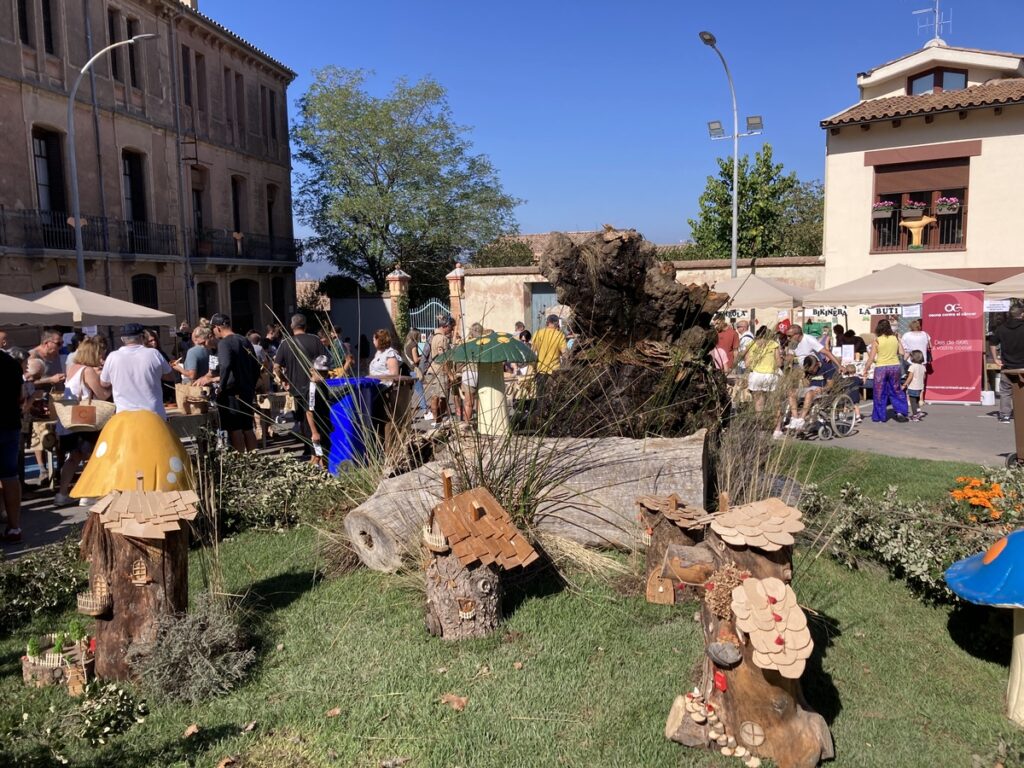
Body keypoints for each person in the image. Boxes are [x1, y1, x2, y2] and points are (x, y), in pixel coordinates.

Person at [54, 337, 112, 505]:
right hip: (87, 419)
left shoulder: (73, 368)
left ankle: (62, 494)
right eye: (100, 353)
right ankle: (88, 493)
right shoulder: (88, 371)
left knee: (73, 457)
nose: (102, 357)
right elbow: (103, 395)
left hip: (71, 419)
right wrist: (111, 384)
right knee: (92, 456)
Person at [197, 313, 260, 452]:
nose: (213, 332)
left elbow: (225, 365)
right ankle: (254, 459)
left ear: (217, 328)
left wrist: (222, 386)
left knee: (235, 428)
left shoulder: (224, 343)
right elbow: (256, 366)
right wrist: (252, 384)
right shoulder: (244, 340)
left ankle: (241, 460)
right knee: (248, 427)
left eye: (213, 329)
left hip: (231, 391)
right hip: (246, 390)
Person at [100, 323, 174, 417]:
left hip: (125, 414)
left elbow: (104, 383)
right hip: (153, 414)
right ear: (141, 337)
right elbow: (170, 376)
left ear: (122, 339)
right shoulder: (154, 354)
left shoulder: (112, 357)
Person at [274, 314, 327, 446]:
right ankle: (317, 451)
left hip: (296, 388)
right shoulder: (315, 340)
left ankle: (310, 449)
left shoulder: (285, 343)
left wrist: (284, 380)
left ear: (291, 326)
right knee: (317, 420)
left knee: (302, 420)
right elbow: (325, 361)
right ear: (305, 326)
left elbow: (276, 367)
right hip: (315, 387)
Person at [739, 326, 784, 438]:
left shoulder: (751, 345)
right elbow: (779, 363)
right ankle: (777, 430)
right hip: (771, 376)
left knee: (758, 406)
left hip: (756, 376)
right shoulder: (773, 344)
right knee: (776, 404)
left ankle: (761, 430)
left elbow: (747, 364)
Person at [863, 318, 909, 423]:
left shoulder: (877, 340)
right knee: (896, 389)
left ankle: (880, 416)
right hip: (894, 366)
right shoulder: (894, 338)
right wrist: (898, 340)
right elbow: (902, 353)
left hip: (881, 367)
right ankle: (900, 411)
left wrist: (866, 368)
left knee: (879, 392)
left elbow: (871, 358)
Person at [0, 347, 24, 542]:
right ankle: (14, 526)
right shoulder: (11, 364)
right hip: (9, 424)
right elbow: (20, 397)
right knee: (10, 475)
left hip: (9, 424)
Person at [989, 305, 1024, 424]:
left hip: (1007, 366)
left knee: (1005, 392)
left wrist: (995, 359)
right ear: (1022, 314)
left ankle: (1005, 416)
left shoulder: (1002, 328)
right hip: (1022, 366)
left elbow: (992, 343)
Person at [367, 328, 403, 442]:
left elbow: (394, 374)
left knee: (386, 419)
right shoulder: (378, 353)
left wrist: (377, 377)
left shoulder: (390, 354)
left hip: (385, 391)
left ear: (380, 340)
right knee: (375, 419)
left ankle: (389, 445)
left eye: (374, 339)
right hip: (375, 390)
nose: (373, 341)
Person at [424, 316, 454, 421]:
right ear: (446, 326)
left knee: (435, 396)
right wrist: (450, 374)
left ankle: (436, 421)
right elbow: (443, 358)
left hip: (434, 369)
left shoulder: (434, 336)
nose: (452, 329)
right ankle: (438, 421)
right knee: (441, 397)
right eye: (451, 327)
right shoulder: (442, 338)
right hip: (440, 371)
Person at [306, 355, 334, 467]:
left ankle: (325, 472)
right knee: (317, 455)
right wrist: (314, 432)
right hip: (315, 427)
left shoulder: (322, 385)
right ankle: (312, 473)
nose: (323, 376)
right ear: (312, 370)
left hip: (323, 425)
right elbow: (309, 412)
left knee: (325, 453)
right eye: (320, 372)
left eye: (325, 373)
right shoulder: (312, 389)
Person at [460, 323, 484, 425]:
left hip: (469, 372)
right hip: (481, 372)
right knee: (480, 400)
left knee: (468, 403)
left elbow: (460, 359)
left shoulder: (467, 344)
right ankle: (480, 424)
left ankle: (466, 424)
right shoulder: (484, 343)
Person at [404, 329, 428, 416]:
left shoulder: (407, 345)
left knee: (410, 392)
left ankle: (406, 409)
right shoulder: (413, 345)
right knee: (420, 390)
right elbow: (415, 359)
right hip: (414, 370)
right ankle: (424, 409)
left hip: (408, 370)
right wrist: (423, 356)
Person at [903, 349, 928, 422]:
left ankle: (915, 416)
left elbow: (910, 377)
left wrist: (904, 384)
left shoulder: (912, 366)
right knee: (917, 400)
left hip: (913, 386)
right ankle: (918, 412)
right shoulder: (923, 367)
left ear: (913, 357)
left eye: (910, 356)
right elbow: (924, 377)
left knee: (913, 402)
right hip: (920, 386)